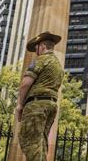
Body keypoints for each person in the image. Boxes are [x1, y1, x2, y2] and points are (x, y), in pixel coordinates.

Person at [15, 31, 64, 161]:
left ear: (42, 46)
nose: (36, 51)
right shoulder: (58, 65)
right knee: (40, 142)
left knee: (30, 141)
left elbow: (25, 84)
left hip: (37, 105)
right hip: (51, 105)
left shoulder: (41, 60)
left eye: (36, 48)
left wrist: (20, 104)